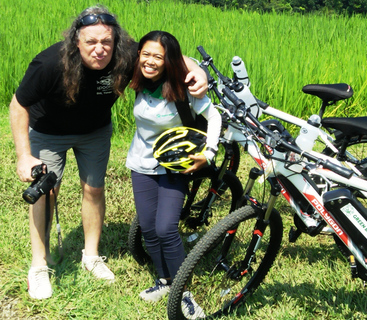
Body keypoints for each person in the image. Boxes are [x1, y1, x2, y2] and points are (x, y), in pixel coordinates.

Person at [9, 5, 208, 300]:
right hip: (49, 130)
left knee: (94, 189)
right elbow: (18, 105)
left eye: (106, 41)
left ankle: (91, 256)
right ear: (76, 40)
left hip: (95, 131)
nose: (100, 49)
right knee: (46, 193)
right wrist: (24, 155)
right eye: (91, 41)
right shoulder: (50, 63)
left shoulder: (125, 53)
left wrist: (198, 71)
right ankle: (39, 265)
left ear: (116, 40)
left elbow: (167, 53)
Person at [126, 30, 221, 310]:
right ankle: (165, 280)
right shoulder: (138, 80)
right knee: (148, 228)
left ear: (170, 60)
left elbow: (213, 117)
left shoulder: (183, 87)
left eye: (159, 56)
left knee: (166, 228)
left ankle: (184, 294)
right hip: (140, 164)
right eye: (146, 54)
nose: (150, 61)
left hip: (174, 166)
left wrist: (209, 153)